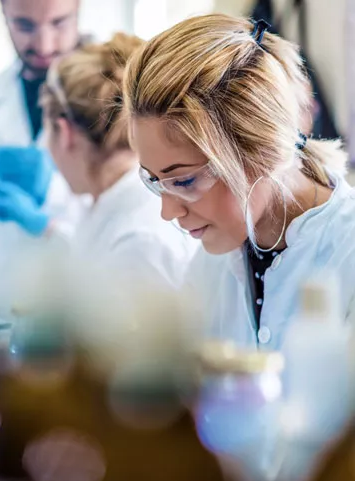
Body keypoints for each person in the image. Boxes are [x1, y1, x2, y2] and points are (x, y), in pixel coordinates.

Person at [123, 14, 355, 350]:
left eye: (184, 181)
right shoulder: (214, 261)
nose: (167, 212)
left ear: (262, 150)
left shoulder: (347, 253)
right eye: (155, 180)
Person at [0, 33, 197, 303]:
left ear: (64, 133)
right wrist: (45, 229)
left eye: (48, 133)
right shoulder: (111, 202)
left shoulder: (140, 240)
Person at [0, 0, 89, 319]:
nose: (44, 45)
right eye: (25, 26)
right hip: (4, 303)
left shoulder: (116, 93)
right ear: (3, 14)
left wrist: (47, 223)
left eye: (59, 23)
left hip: (82, 304)